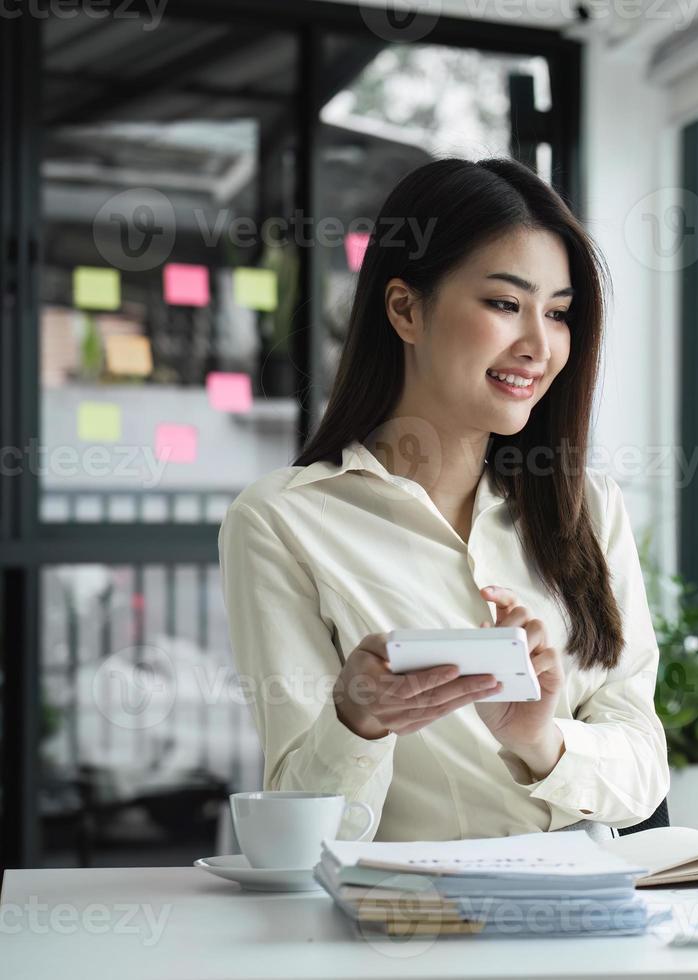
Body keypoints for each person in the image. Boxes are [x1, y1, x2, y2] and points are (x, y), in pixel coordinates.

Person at [218, 158, 668, 842]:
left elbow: (642, 768)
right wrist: (357, 719)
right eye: (503, 304)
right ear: (405, 309)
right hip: (401, 928)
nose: (539, 346)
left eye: (558, 314)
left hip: (586, 924)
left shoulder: (586, 508)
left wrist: (541, 741)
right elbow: (300, 831)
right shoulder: (283, 522)